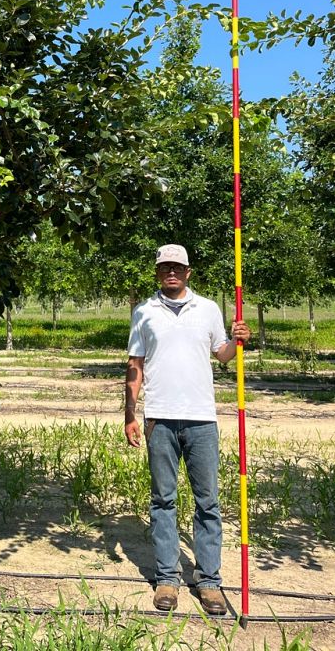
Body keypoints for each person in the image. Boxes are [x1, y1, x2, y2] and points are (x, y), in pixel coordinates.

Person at [124, 244, 250, 615]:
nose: (172, 273)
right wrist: (131, 413)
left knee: (207, 502)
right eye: (165, 268)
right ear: (158, 272)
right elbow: (135, 364)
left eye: (178, 267)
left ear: (188, 272)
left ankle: (209, 582)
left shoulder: (208, 309)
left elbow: (222, 353)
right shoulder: (144, 311)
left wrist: (238, 341)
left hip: (201, 421)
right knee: (163, 501)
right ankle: (167, 578)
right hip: (159, 419)